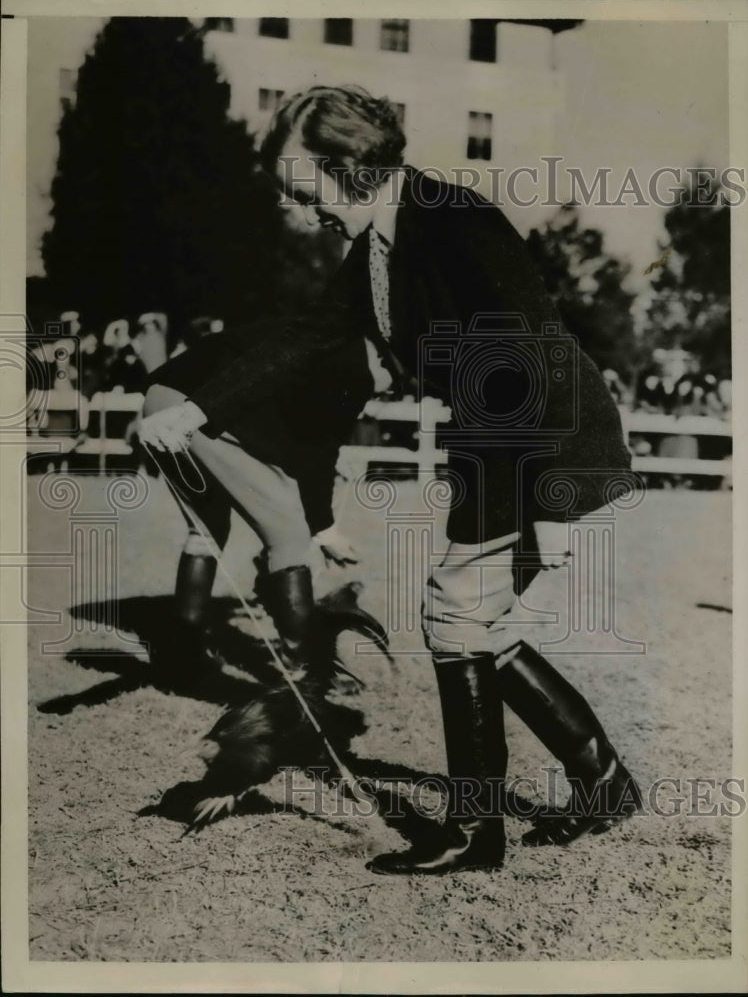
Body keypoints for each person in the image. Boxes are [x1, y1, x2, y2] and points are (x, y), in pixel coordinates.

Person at [261, 85, 643, 875]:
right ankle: (600, 783)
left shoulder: (452, 216)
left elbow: (526, 350)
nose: (304, 214)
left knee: (456, 615)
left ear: (351, 169)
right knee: (483, 624)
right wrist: (204, 412)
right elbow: (317, 365)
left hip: (545, 439)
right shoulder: (371, 252)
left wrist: (554, 507)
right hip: (491, 441)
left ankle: (478, 833)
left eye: (307, 193)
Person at [138, 312, 377, 688]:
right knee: (290, 534)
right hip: (194, 405)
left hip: (161, 399)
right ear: (382, 355)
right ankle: (305, 675)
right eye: (394, 380)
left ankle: (180, 662)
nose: (386, 392)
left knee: (206, 528)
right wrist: (325, 530)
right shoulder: (354, 363)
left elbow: (284, 429)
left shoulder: (326, 341)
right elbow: (317, 453)